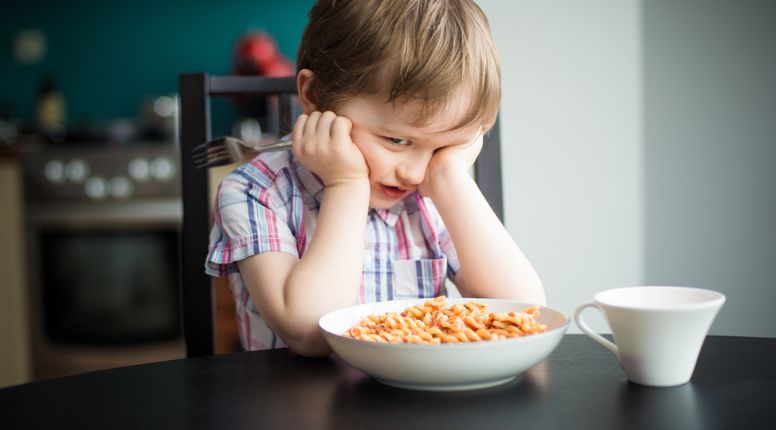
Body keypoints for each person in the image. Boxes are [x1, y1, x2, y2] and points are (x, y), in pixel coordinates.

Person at [206, 0, 545, 356]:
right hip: (296, 405)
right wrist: (346, 185)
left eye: (442, 147)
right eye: (397, 140)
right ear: (314, 96)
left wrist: (450, 175)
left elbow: (522, 312)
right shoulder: (255, 190)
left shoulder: (433, 190)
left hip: (418, 403)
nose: (414, 173)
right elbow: (309, 332)